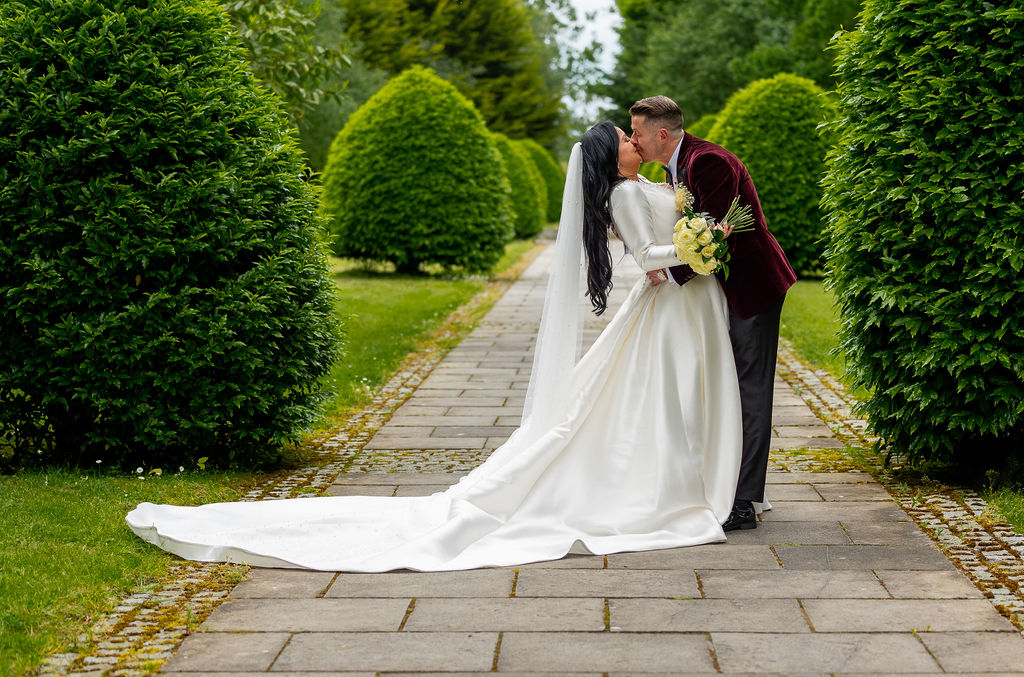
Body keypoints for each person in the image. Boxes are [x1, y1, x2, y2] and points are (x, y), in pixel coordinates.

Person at [125, 122, 742, 571]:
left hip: (677, 308)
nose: (637, 141)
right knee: (649, 403)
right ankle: (670, 488)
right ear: (614, 157)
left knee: (651, 401)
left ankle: (686, 479)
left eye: (638, 135)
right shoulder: (629, 192)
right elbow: (646, 259)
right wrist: (697, 247)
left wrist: (697, 240)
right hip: (666, 305)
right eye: (628, 138)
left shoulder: (651, 184)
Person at [628, 96, 797, 531]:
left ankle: (743, 501)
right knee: (730, 387)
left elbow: (720, 237)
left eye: (639, 133)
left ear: (661, 134)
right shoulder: (677, 166)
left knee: (750, 390)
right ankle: (726, 483)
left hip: (752, 287)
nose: (634, 140)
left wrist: (668, 271)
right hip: (724, 289)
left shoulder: (708, 163)